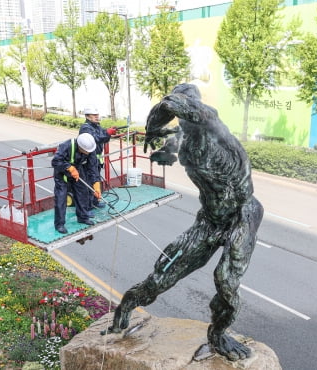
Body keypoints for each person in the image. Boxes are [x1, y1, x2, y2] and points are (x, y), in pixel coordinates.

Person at [101, 83, 264, 362]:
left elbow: (171, 105)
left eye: (185, 105)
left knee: (225, 279)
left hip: (241, 213)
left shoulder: (208, 120)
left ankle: (219, 334)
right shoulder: (183, 135)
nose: (183, 114)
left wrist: (154, 124)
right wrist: (160, 146)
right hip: (210, 220)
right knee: (163, 273)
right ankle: (122, 315)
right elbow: (170, 147)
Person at [51, 133, 102, 234]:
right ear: (80, 146)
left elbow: (93, 168)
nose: (87, 153)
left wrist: (96, 185)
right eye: (85, 151)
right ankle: (59, 224)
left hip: (78, 171)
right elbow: (55, 161)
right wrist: (69, 167)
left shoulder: (90, 149)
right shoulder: (66, 146)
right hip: (62, 174)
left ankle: (83, 217)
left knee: (83, 193)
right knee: (61, 198)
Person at [78, 107, 116, 209]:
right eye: (94, 115)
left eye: (97, 115)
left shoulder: (96, 126)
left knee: (96, 180)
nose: (96, 117)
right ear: (87, 116)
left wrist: (109, 132)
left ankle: (95, 201)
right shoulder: (86, 128)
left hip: (96, 159)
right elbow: (97, 139)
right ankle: (88, 206)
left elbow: (103, 137)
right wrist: (107, 133)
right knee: (90, 181)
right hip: (89, 160)